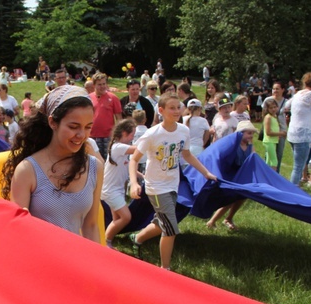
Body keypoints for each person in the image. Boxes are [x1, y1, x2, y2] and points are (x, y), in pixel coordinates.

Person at [0, 85, 104, 242]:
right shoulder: (27, 170)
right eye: (73, 127)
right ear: (53, 123)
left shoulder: (95, 167)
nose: (81, 135)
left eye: (88, 127)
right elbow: (18, 233)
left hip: (76, 262)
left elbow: (91, 226)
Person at [128, 93, 217, 269]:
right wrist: (134, 182)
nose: (177, 111)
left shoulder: (183, 130)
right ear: (161, 110)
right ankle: (165, 269)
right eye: (172, 108)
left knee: (162, 222)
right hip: (155, 186)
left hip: (172, 184)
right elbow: (133, 159)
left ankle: (137, 238)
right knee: (170, 228)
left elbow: (187, 154)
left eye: (178, 107)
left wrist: (206, 173)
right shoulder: (152, 134)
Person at [205, 121, 256, 230]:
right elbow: (220, 156)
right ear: (240, 133)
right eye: (248, 133)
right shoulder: (233, 145)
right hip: (230, 176)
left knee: (242, 197)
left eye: (252, 133)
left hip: (241, 176)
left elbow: (253, 158)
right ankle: (212, 221)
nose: (250, 136)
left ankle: (229, 218)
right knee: (230, 199)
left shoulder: (250, 145)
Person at [101, 119, 137, 248]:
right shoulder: (118, 147)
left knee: (117, 219)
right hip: (110, 191)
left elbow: (127, 167)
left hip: (117, 190)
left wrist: (141, 175)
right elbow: (138, 149)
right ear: (124, 133)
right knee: (126, 217)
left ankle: (107, 241)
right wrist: (150, 141)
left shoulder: (121, 149)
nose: (133, 137)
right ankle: (106, 241)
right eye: (132, 134)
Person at [89, 73, 122, 159]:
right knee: (94, 160)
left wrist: (118, 134)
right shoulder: (88, 98)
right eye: (99, 84)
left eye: (104, 84)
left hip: (108, 135)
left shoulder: (113, 98)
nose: (102, 86)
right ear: (94, 85)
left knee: (108, 159)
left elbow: (119, 118)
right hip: (92, 135)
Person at [262, 81, 289, 173]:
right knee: (269, 154)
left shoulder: (286, 102)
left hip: (282, 129)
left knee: (279, 153)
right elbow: (264, 113)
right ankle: (269, 173)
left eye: (277, 89)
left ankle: (276, 173)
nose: (275, 90)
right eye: (274, 88)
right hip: (271, 130)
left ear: (283, 90)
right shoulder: (267, 100)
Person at [262, 98, 284, 171]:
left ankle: (266, 176)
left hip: (273, 141)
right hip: (269, 141)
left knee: (268, 161)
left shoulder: (274, 117)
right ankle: (273, 179)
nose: (273, 109)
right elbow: (268, 132)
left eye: (275, 107)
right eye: (271, 108)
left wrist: (278, 135)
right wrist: (280, 133)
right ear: (267, 109)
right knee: (274, 161)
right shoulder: (268, 117)